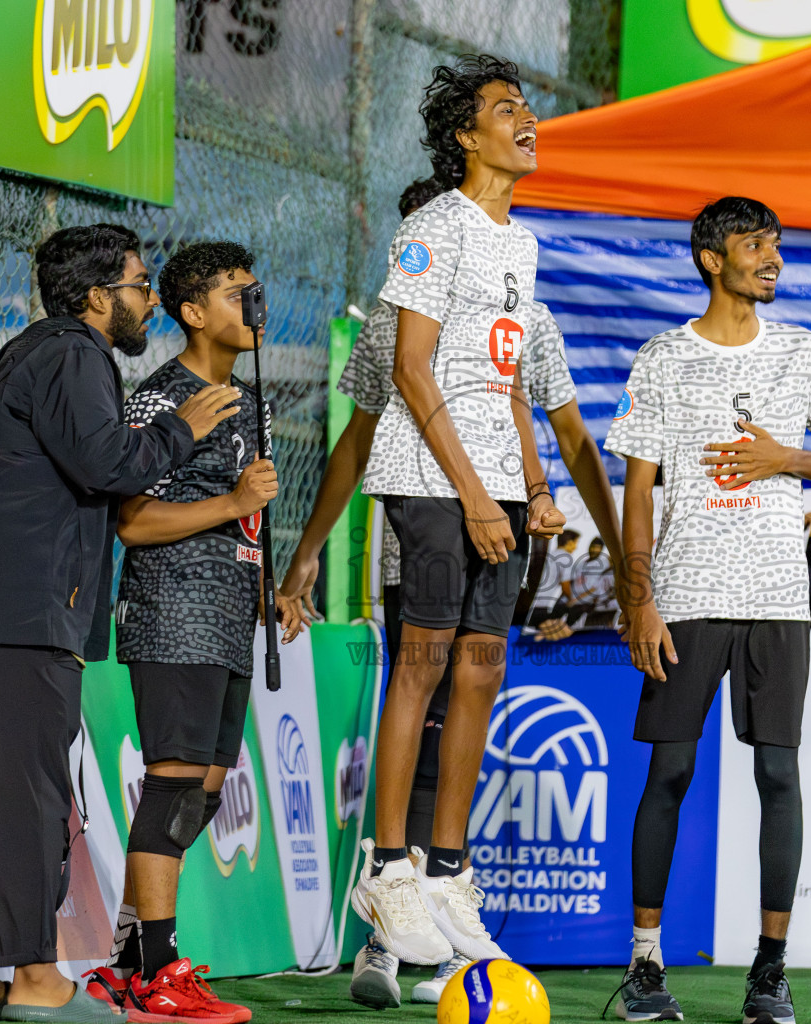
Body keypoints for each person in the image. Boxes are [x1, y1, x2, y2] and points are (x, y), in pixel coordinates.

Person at [0, 224, 239, 1023]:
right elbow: (108, 463)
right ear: (97, 298)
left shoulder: (21, 355)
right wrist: (183, 427)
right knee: (26, 798)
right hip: (17, 617)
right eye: (140, 283)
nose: (150, 298)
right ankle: (37, 977)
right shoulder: (75, 353)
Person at [608, 197, 811, 1024]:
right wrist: (638, 599)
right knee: (671, 772)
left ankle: (770, 972)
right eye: (756, 245)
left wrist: (783, 458)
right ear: (712, 258)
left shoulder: (804, 352)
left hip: (778, 599)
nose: (773, 258)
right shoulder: (661, 358)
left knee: (779, 774)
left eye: (777, 245)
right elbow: (636, 490)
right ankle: (645, 965)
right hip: (682, 597)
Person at [348, 52, 567, 975]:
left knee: (482, 669)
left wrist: (527, 486)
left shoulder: (520, 240)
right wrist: (477, 496)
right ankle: (386, 868)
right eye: (505, 109)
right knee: (425, 664)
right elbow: (409, 369)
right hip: (434, 480)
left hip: (497, 487)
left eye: (527, 108)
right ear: (464, 137)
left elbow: (509, 386)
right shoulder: (433, 229)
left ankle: (447, 869)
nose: (525, 121)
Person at [81, 242, 277, 1024]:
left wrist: (269, 582)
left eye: (256, 291)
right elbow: (131, 521)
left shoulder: (254, 400)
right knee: (171, 782)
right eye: (237, 294)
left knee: (202, 792)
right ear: (193, 313)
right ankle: (157, 970)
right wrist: (230, 506)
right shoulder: (161, 398)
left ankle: (131, 956)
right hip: (173, 612)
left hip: (230, 617)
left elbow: (248, 507)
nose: (254, 306)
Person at [527, 529, 580, 624]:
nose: (576, 547)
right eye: (576, 543)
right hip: (543, 604)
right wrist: (572, 599)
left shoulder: (547, 554)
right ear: (570, 542)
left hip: (530, 601)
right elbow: (565, 584)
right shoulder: (566, 558)